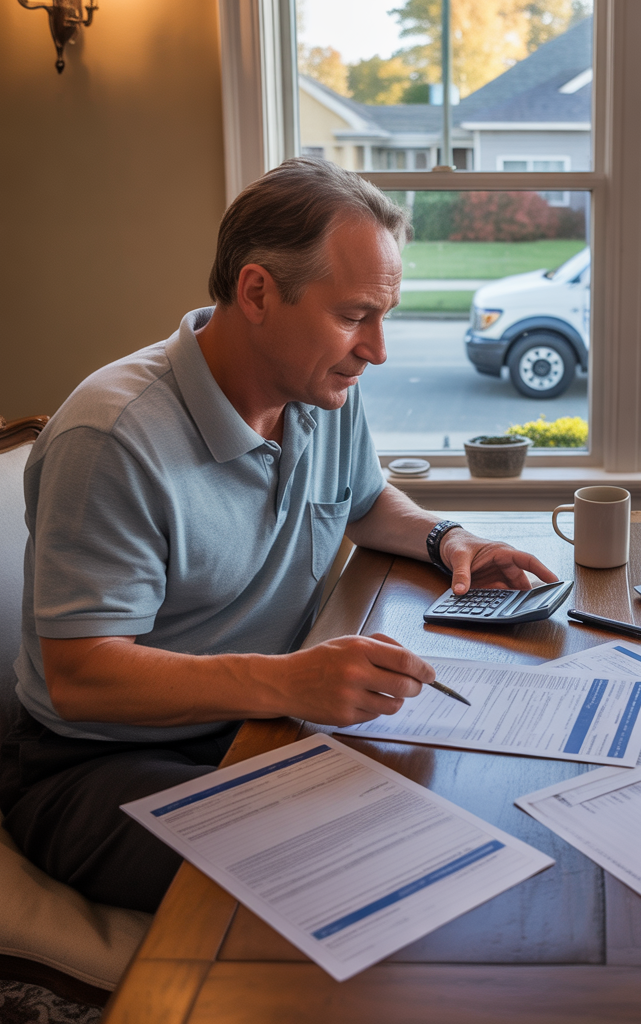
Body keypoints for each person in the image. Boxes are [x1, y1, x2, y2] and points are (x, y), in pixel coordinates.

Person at [0, 159, 558, 914]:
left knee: (453, 804)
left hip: (255, 720)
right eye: (355, 314)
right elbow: (82, 674)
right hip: (100, 765)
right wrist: (289, 681)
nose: (378, 349)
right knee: (358, 871)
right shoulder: (113, 438)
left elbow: (361, 502)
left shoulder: (319, 388)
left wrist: (445, 538)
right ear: (257, 291)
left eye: (383, 314)